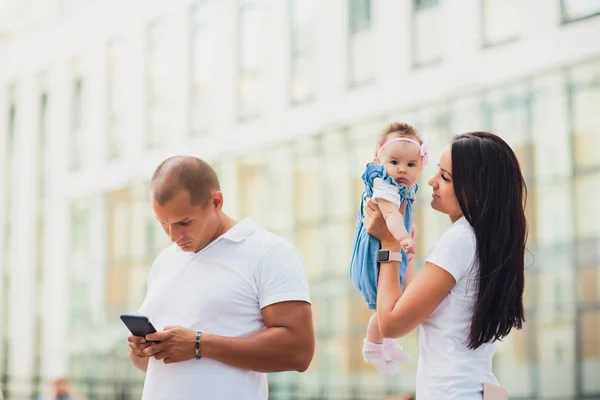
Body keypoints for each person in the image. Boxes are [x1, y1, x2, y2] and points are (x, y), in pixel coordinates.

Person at [126, 156, 315, 400]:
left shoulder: (268, 252)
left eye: (184, 222)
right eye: (164, 223)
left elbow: (298, 351)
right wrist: (141, 350)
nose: (174, 236)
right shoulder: (165, 261)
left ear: (216, 201)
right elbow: (150, 366)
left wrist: (198, 344)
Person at [362, 132, 526, 399]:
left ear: (476, 191)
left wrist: (389, 244)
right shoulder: (487, 240)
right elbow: (416, 307)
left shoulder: (459, 240)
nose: (431, 181)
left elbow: (391, 323)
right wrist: (405, 255)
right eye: (437, 170)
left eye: (445, 177)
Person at [350, 122, 428, 376]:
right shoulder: (383, 185)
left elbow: (402, 214)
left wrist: (409, 229)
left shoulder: (404, 187)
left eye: (411, 164)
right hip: (373, 257)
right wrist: (404, 236)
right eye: (394, 162)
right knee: (388, 305)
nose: (402, 169)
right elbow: (391, 215)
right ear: (378, 161)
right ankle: (373, 347)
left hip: (390, 247)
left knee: (401, 295)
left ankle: (388, 342)